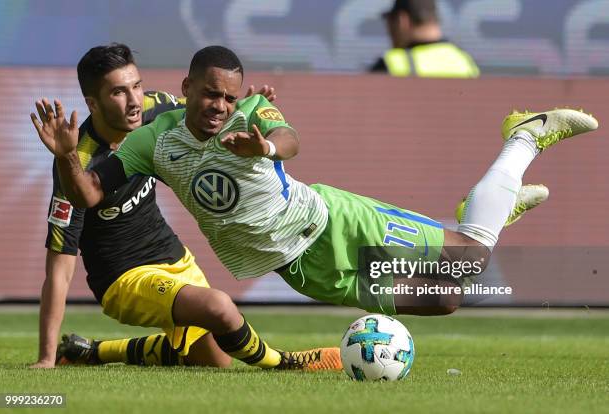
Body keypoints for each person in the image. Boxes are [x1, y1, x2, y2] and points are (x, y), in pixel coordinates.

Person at [37, 46, 598, 317]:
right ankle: (490, 209)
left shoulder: (251, 109)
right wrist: (67, 155)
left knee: (468, 262)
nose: (220, 106)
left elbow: (291, 142)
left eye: (229, 96)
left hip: (328, 220)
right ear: (185, 88)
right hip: (298, 267)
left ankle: (523, 136)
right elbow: (88, 192)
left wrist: (266, 145)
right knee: (446, 300)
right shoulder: (150, 141)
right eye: (210, 94)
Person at [30, 43, 340, 371]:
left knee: (216, 361)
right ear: (93, 103)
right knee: (220, 307)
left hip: (173, 257)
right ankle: (284, 362)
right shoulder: (77, 162)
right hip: (123, 279)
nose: (135, 101)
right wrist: (45, 358)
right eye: (119, 92)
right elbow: (60, 269)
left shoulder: (157, 108)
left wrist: (244, 111)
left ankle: (94, 352)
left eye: (136, 85)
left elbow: (206, 114)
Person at [370, 0, 479, 78]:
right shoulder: (465, 61)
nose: (389, 32)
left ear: (401, 21)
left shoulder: (391, 63)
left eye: (390, 23)